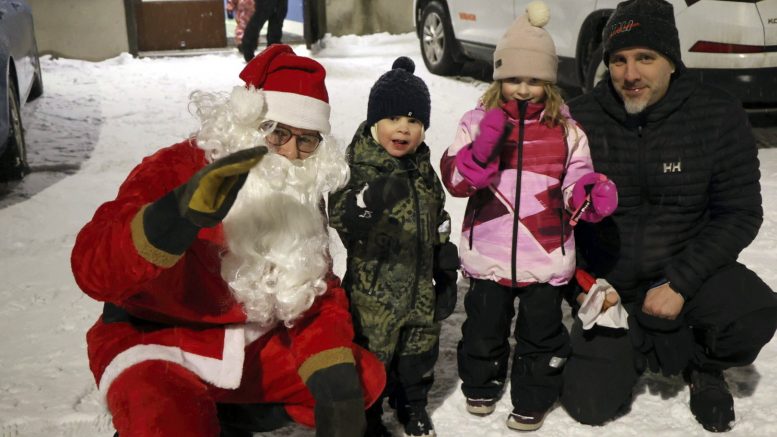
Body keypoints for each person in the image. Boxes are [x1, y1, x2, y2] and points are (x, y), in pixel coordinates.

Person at [70, 44, 386, 437]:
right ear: (248, 123)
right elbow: (91, 270)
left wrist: (334, 378)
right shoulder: (177, 167)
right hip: (155, 338)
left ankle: (225, 418)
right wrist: (174, 218)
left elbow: (315, 290)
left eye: (307, 141)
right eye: (278, 133)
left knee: (357, 379)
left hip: (245, 343)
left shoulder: (298, 190)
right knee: (166, 420)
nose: (290, 153)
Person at [558, 0, 777, 433]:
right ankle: (640, 341)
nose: (630, 74)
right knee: (589, 403)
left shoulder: (716, 115)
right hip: (611, 291)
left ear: (672, 62)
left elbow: (740, 212)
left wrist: (680, 282)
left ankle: (701, 362)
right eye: (618, 60)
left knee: (754, 312)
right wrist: (581, 285)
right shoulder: (580, 119)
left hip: (686, 278)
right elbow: (553, 217)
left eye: (645, 58)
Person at [439, 1, 617, 432]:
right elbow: (455, 181)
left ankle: (533, 395)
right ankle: (481, 384)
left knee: (541, 332)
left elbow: (576, 181)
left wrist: (589, 195)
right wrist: (477, 157)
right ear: (498, 78)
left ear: (550, 83)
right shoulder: (476, 122)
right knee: (483, 327)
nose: (522, 88)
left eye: (535, 80)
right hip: (488, 257)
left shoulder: (567, 131)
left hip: (545, 256)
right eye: (513, 78)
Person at [328, 57, 458, 437]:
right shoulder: (357, 167)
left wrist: (443, 261)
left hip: (420, 289)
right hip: (373, 296)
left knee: (418, 355)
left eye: (415, 121)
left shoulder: (423, 168)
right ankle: (368, 418)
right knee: (372, 358)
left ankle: (412, 404)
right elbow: (339, 215)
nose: (404, 128)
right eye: (394, 119)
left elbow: (439, 212)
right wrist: (367, 204)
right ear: (374, 122)